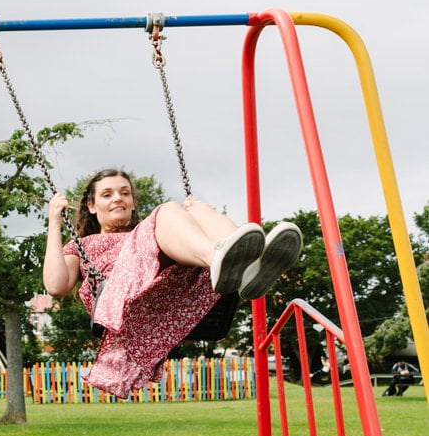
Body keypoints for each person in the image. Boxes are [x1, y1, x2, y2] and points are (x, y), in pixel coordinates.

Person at [42, 170, 303, 398]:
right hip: (128, 297)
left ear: (133, 202)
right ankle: (220, 259)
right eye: (107, 194)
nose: (118, 198)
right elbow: (56, 285)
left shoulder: (151, 233)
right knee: (168, 210)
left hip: (176, 286)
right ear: (91, 205)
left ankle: (246, 269)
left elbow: (170, 234)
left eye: (125, 193)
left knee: (197, 211)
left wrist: (198, 212)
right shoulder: (83, 245)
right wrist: (54, 221)